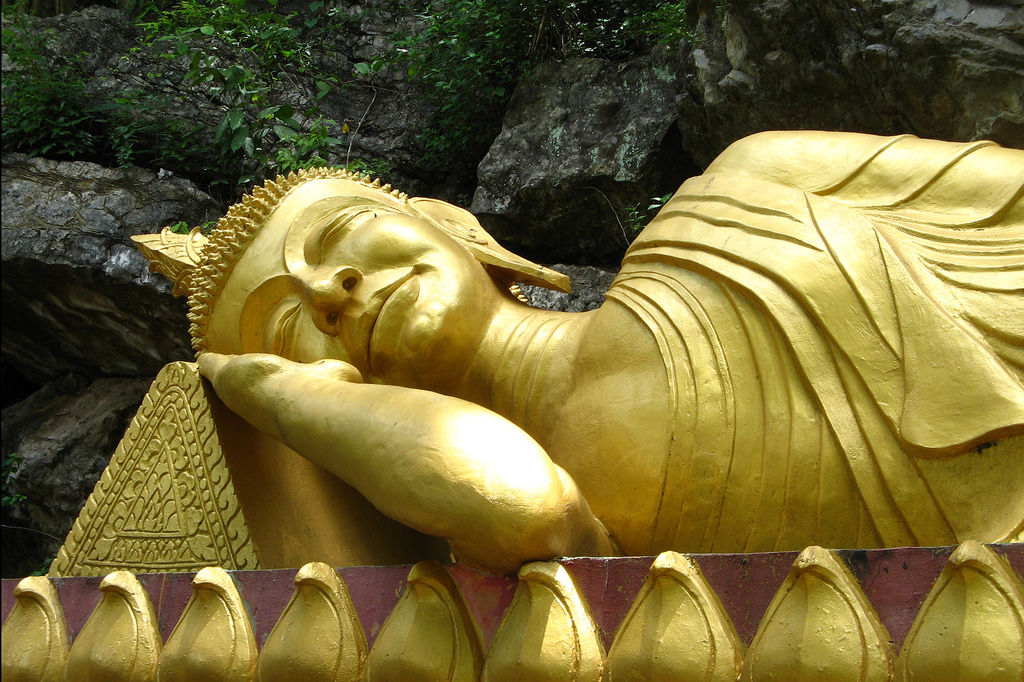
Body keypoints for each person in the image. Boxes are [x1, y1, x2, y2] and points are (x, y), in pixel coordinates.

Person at [140, 131, 1024, 574]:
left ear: (453, 227)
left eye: (341, 236)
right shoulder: (564, 537)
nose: (330, 292)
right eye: (286, 326)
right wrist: (269, 393)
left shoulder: (753, 183)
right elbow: (507, 504)